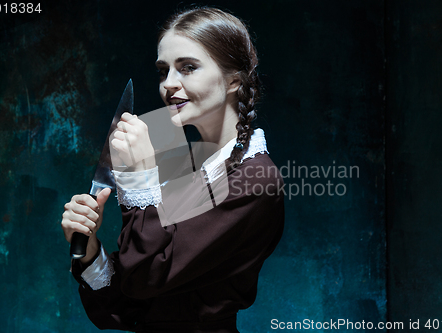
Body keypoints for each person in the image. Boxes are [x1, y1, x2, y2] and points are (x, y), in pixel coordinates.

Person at [61, 7, 284, 332]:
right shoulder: (183, 164)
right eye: (163, 71)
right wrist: (90, 247)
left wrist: (140, 177)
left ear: (234, 80)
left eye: (188, 68)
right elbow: (124, 307)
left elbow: (143, 279)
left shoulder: (255, 180)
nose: (168, 84)